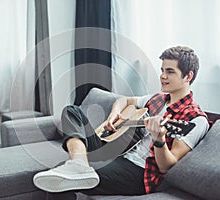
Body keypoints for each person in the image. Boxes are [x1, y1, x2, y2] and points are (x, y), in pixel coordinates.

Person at [32, 46, 210, 199]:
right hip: (117, 151)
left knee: (60, 180)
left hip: (139, 172)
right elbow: (125, 101)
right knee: (71, 111)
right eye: (162, 70)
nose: (162, 76)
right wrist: (114, 115)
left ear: (188, 76)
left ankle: (79, 167)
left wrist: (159, 139)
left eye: (170, 71)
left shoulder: (195, 118)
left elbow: (166, 166)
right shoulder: (158, 99)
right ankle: (79, 162)